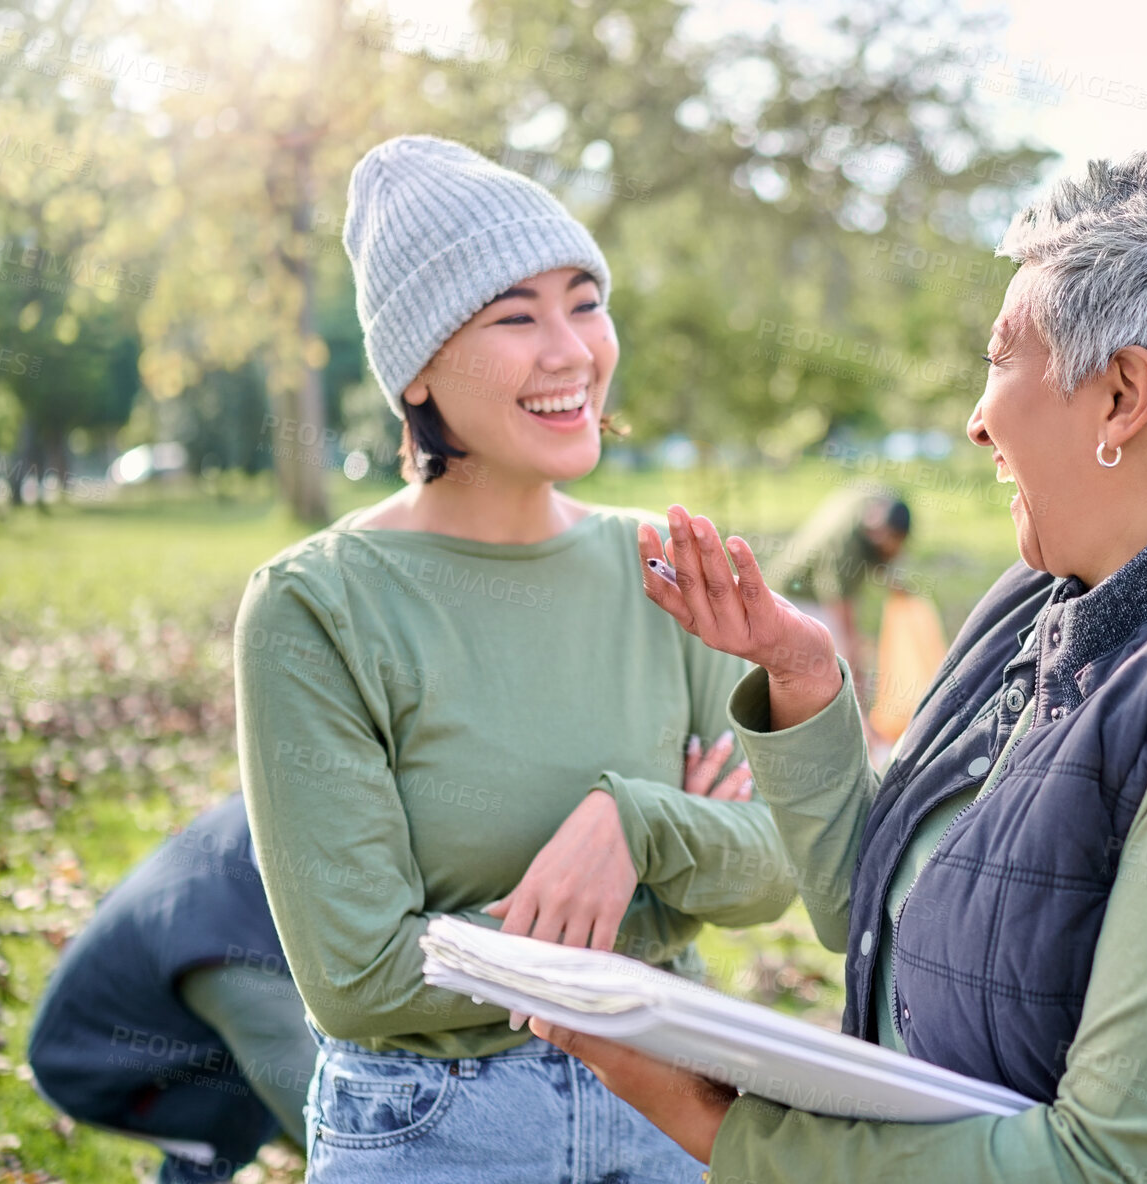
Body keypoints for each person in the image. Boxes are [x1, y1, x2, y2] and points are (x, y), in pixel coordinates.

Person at [531, 149, 1147, 1184]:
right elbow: (884, 907)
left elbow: (1121, 1168)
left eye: (1002, 356)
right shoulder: (1032, 603)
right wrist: (806, 678)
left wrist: (723, 1125)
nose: (975, 417)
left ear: (1122, 395)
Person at [232, 135, 795, 1183]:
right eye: (513, 315)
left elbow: (770, 866)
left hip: (674, 1111)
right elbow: (361, 974)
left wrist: (637, 819)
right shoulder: (317, 606)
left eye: (584, 300)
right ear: (416, 371)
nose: (570, 350)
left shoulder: (663, 565)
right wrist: (659, 906)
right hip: (434, 1131)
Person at [27, 793, 316, 1184]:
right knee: (248, 1105)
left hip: (166, 1006)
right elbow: (330, 1120)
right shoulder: (233, 962)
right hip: (91, 1065)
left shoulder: (280, 806)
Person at [763, 489, 911, 684]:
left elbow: (887, 553)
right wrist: (856, 679)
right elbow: (842, 617)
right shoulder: (844, 548)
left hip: (816, 586)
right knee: (830, 656)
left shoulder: (875, 499)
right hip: (796, 594)